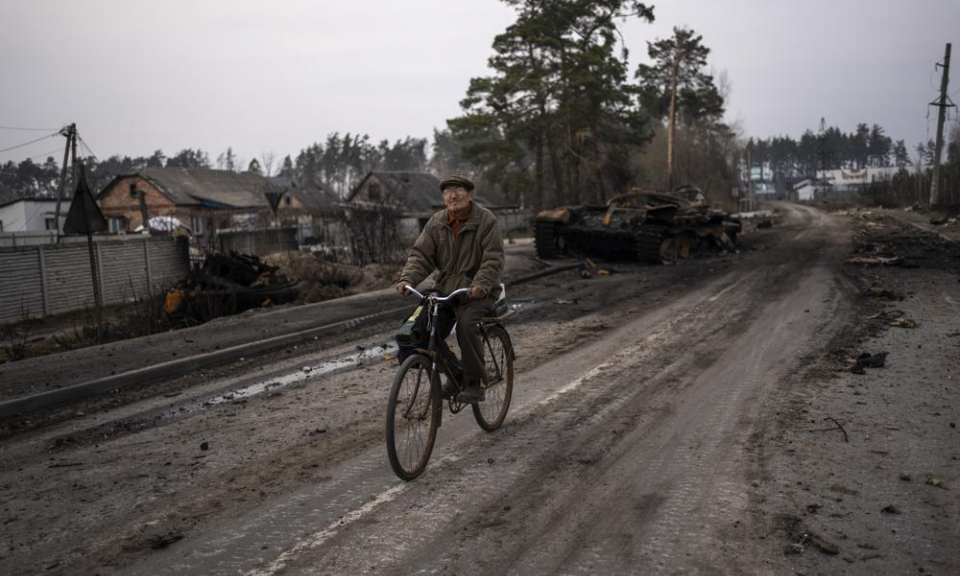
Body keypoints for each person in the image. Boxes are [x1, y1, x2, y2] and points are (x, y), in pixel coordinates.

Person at [394, 174, 504, 403]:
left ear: (470, 194)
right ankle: (456, 373)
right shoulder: (437, 222)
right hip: (446, 291)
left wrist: (481, 285)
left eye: (458, 189)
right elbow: (421, 256)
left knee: (466, 325)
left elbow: (493, 259)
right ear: (443, 198)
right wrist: (407, 279)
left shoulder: (486, 220)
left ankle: (474, 384)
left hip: (477, 294)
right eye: (447, 191)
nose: (452, 195)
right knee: (420, 328)